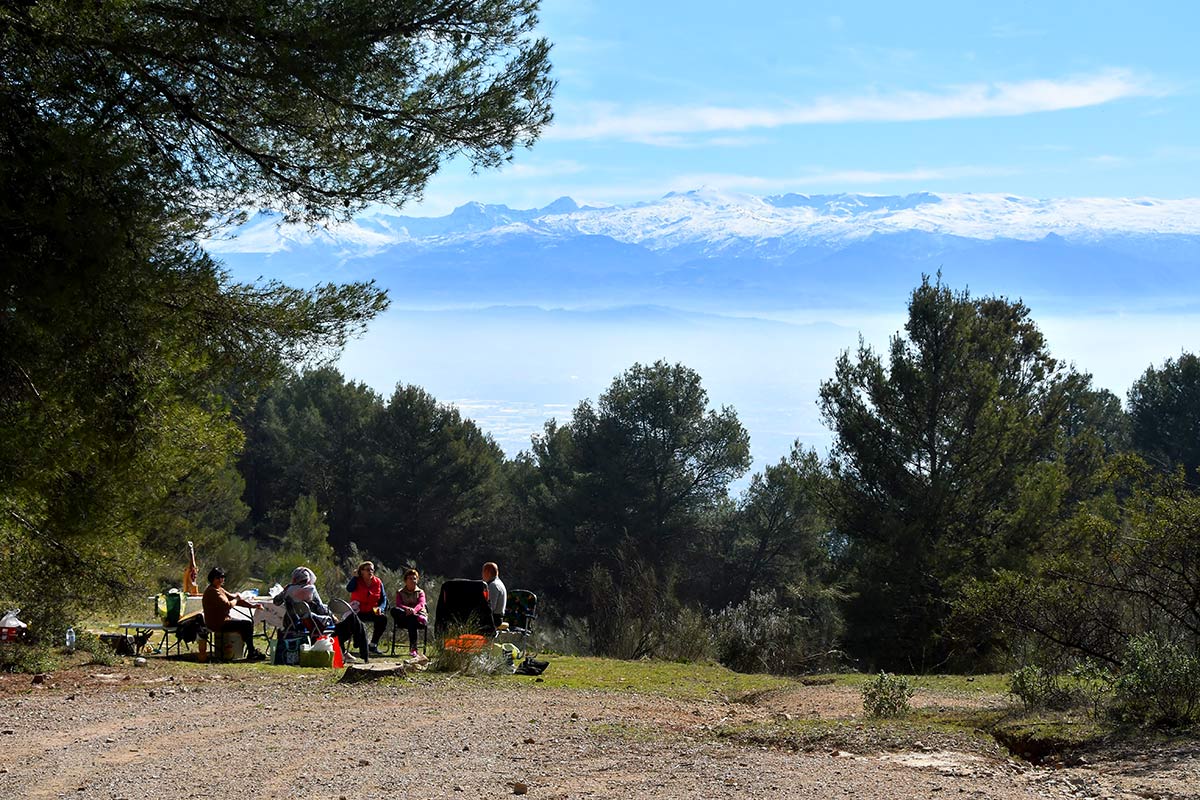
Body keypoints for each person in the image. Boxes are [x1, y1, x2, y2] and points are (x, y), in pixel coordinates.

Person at [274, 566, 369, 663]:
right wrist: (331, 615)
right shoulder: (310, 589)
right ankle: (362, 652)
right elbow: (321, 609)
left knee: (357, 623)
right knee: (354, 620)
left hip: (298, 624)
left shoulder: (289, 589)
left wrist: (285, 590)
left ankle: (353, 647)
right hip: (316, 625)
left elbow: (276, 601)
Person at [201, 567, 266, 661]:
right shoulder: (212, 591)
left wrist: (253, 606)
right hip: (217, 623)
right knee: (247, 624)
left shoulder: (219, 589)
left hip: (225, 620)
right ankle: (251, 652)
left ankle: (251, 651)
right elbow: (228, 605)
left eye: (223, 577)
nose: (223, 579)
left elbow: (234, 598)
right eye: (221, 577)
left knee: (246, 624)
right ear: (215, 579)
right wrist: (237, 599)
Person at [345, 561, 388, 656]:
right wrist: (355, 577)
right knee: (353, 621)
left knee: (382, 619)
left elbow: (383, 598)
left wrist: (381, 608)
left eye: (372, 569)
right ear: (361, 571)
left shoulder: (378, 582)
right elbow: (349, 589)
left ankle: (373, 645)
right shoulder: (357, 580)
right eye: (368, 569)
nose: (370, 571)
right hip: (358, 610)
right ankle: (358, 644)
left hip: (372, 610)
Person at [391, 568, 428, 658]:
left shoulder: (420, 592)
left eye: (414, 578)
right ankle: (413, 648)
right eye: (410, 578)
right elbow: (399, 604)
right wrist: (407, 609)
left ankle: (413, 648)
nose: (413, 581)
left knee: (412, 621)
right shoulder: (400, 592)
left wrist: (413, 611)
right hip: (404, 617)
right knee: (394, 610)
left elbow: (421, 604)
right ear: (406, 580)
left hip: (418, 619)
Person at [482, 561, 507, 628]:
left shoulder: (493, 586)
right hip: (497, 617)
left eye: (483, 572)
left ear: (488, 573)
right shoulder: (498, 583)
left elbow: (491, 607)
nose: (482, 575)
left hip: (494, 619)